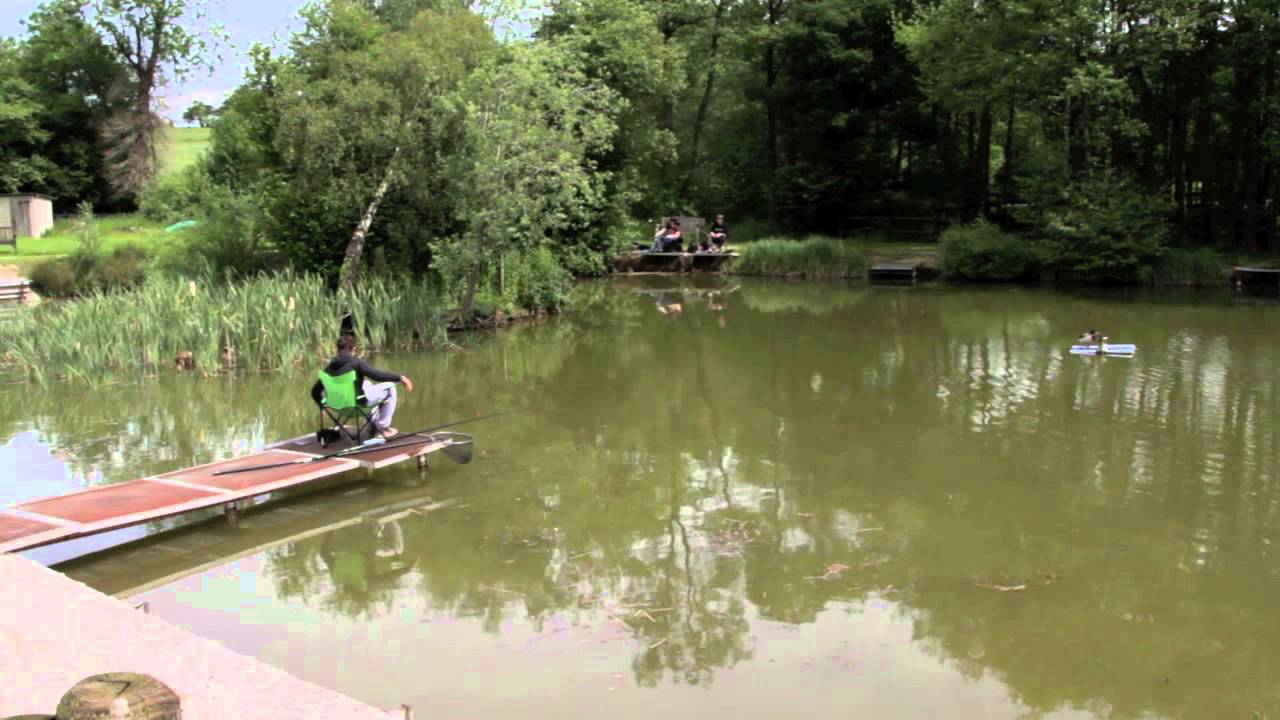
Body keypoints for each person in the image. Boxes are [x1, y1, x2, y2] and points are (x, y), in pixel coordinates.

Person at [311, 334, 413, 436]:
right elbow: (377, 375)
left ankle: (372, 424)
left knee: (366, 384)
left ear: (337, 349)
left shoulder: (329, 368)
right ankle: (381, 427)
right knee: (390, 388)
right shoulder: (356, 362)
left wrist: (321, 405)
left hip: (338, 407)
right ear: (353, 349)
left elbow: (315, 391)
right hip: (355, 405)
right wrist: (399, 378)